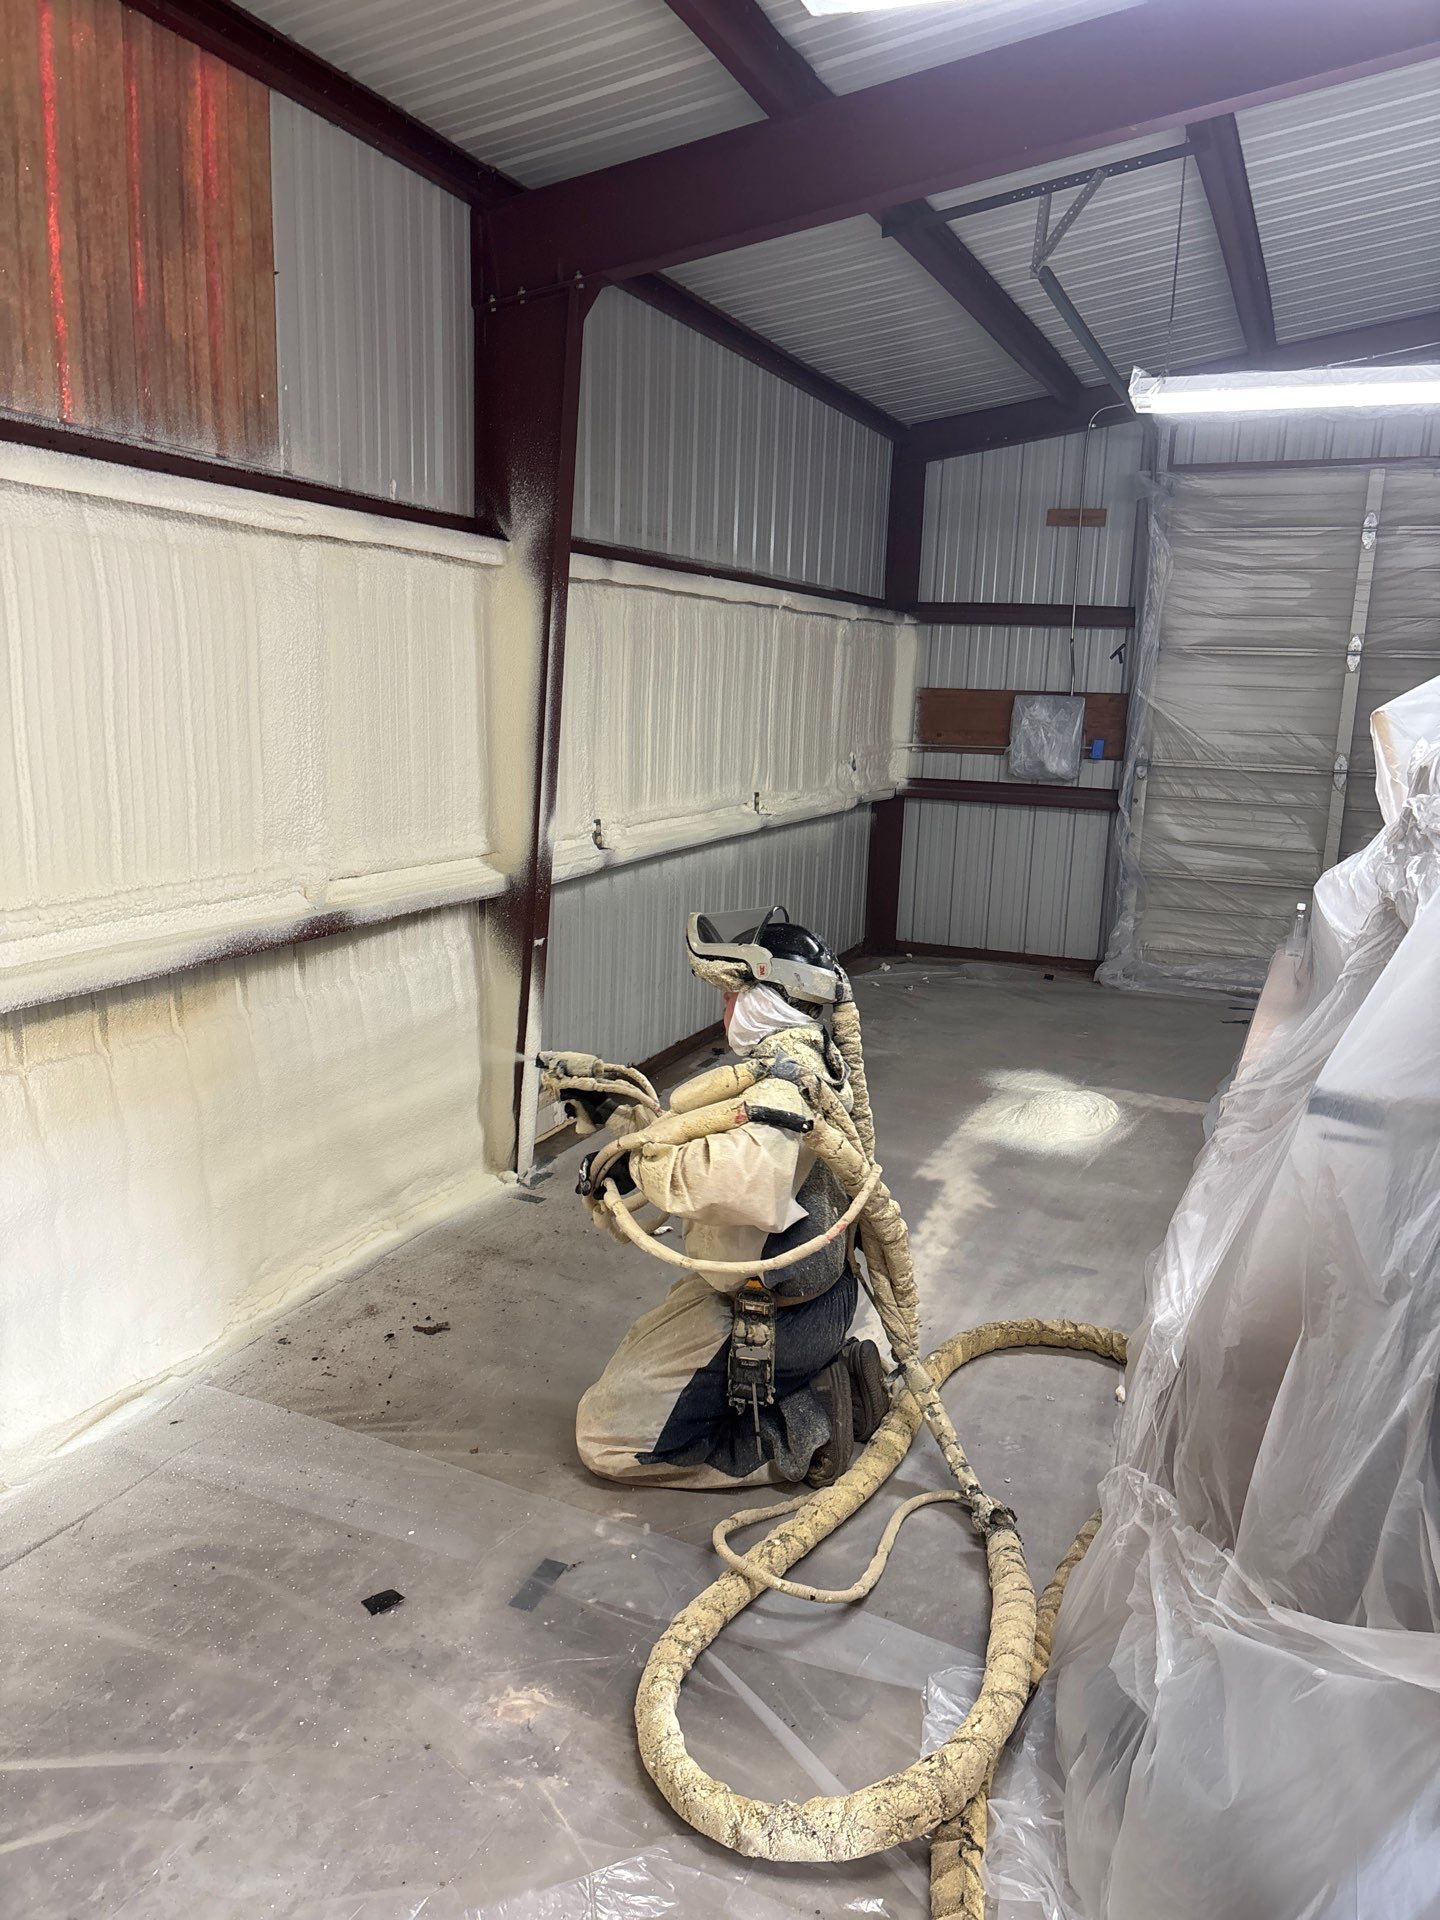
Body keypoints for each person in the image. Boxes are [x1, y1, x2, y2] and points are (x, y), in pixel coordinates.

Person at [573, 908, 888, 1490]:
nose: (724, 1010)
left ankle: (810, 1423)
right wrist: (624, 1115)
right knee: (621, 1377)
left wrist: (638, 1163)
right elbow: (703, 1139)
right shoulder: (797, 1064)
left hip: (775, 1319)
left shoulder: (786, 1086)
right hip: (782, 1297)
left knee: (607, 1438)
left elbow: (737, 1178)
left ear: (765, 997)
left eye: (733, 994)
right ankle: (820, 1378)